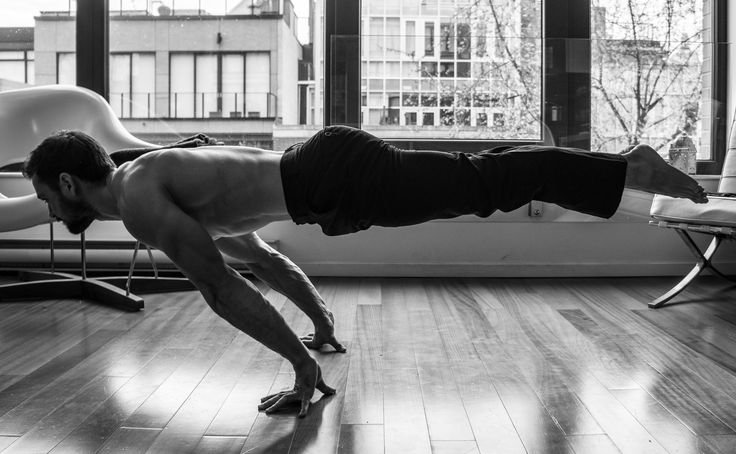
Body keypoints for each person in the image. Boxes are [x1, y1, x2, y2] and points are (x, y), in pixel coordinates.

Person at [21, 125, 707, 417]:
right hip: (327, 176)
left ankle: (630, 167)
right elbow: (261, 261)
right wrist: (318, 326)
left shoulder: (143, 200)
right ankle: (623, 168)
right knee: (479, 181)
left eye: (48, 196)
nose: (49, 211)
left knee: (484, 182)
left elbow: (221, 291)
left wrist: (301, 372)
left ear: (68, 183)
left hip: (331, 176)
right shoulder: (155, 184)